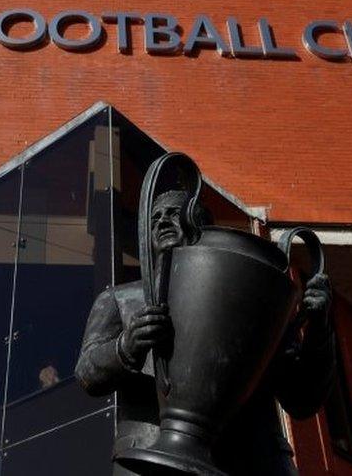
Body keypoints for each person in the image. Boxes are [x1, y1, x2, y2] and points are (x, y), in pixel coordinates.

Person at [75, 189, 335, 475]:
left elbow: (302, 400)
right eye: (155, 218)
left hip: (250, 462)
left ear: (201, 226)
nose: (162, 222)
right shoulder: (121, 300)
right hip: (149, 459)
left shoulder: (254, 299)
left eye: (175, 214)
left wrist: (319, 330)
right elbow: (87, 373)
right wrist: (126, 346)